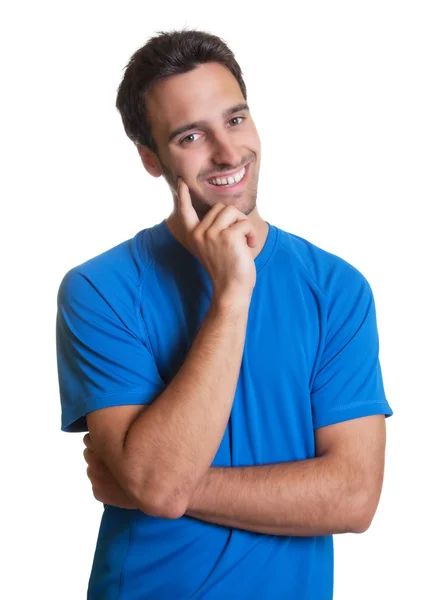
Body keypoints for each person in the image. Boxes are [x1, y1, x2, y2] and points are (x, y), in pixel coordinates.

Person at [56, 28, 393, 600]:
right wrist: (232, 293)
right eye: (191, 135)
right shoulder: (99, 290)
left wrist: (154, 484)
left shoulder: (336, 289)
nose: (228, 152)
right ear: (150, 158)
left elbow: (353, 498)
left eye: (235, 120)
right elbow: (158, 486)